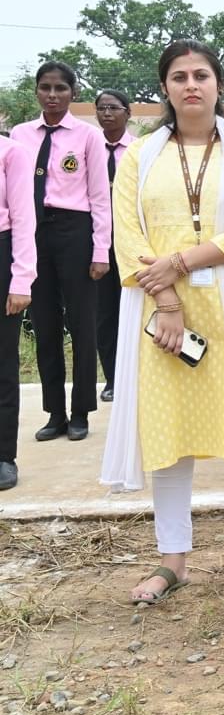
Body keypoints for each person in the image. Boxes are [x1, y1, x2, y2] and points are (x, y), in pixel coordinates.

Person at [102, 39, 224, 604]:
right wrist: (169, 301)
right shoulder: (140, 156)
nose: (191, 85)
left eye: (201, 74)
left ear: (218, 85)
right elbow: (127, 237)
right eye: (179, 76)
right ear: (164, 89)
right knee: (170, 434)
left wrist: (181, 262)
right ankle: (172, 561)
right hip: (160, 311)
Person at [11, 62, 110, 443]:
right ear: (36, 91)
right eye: (45, 87)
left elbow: (101, 197)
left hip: (74, 231)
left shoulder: (87, 136)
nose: (52, 95)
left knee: (82, 322)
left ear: (72, 93)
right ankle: (55, 411)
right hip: (33, 231)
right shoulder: (20, 134)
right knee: (45, 323)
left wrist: (101, 250)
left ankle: (82, 409)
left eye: (60, 88)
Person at [0, 135, 36, 491]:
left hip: (2, 252)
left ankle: (3, 455)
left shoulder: (11, 152)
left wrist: (21, 279)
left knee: (2, 363)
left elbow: (24, 218)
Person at [94, 89, 135, 401]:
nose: (106, 114)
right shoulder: (90, 148)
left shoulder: (138, 150)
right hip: (99, 244)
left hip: (132, 242)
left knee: (134, 311)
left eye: (113, 108)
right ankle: (112, 378)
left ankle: (135, 376)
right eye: (101, 108)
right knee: (105, 315)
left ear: (127, 113)